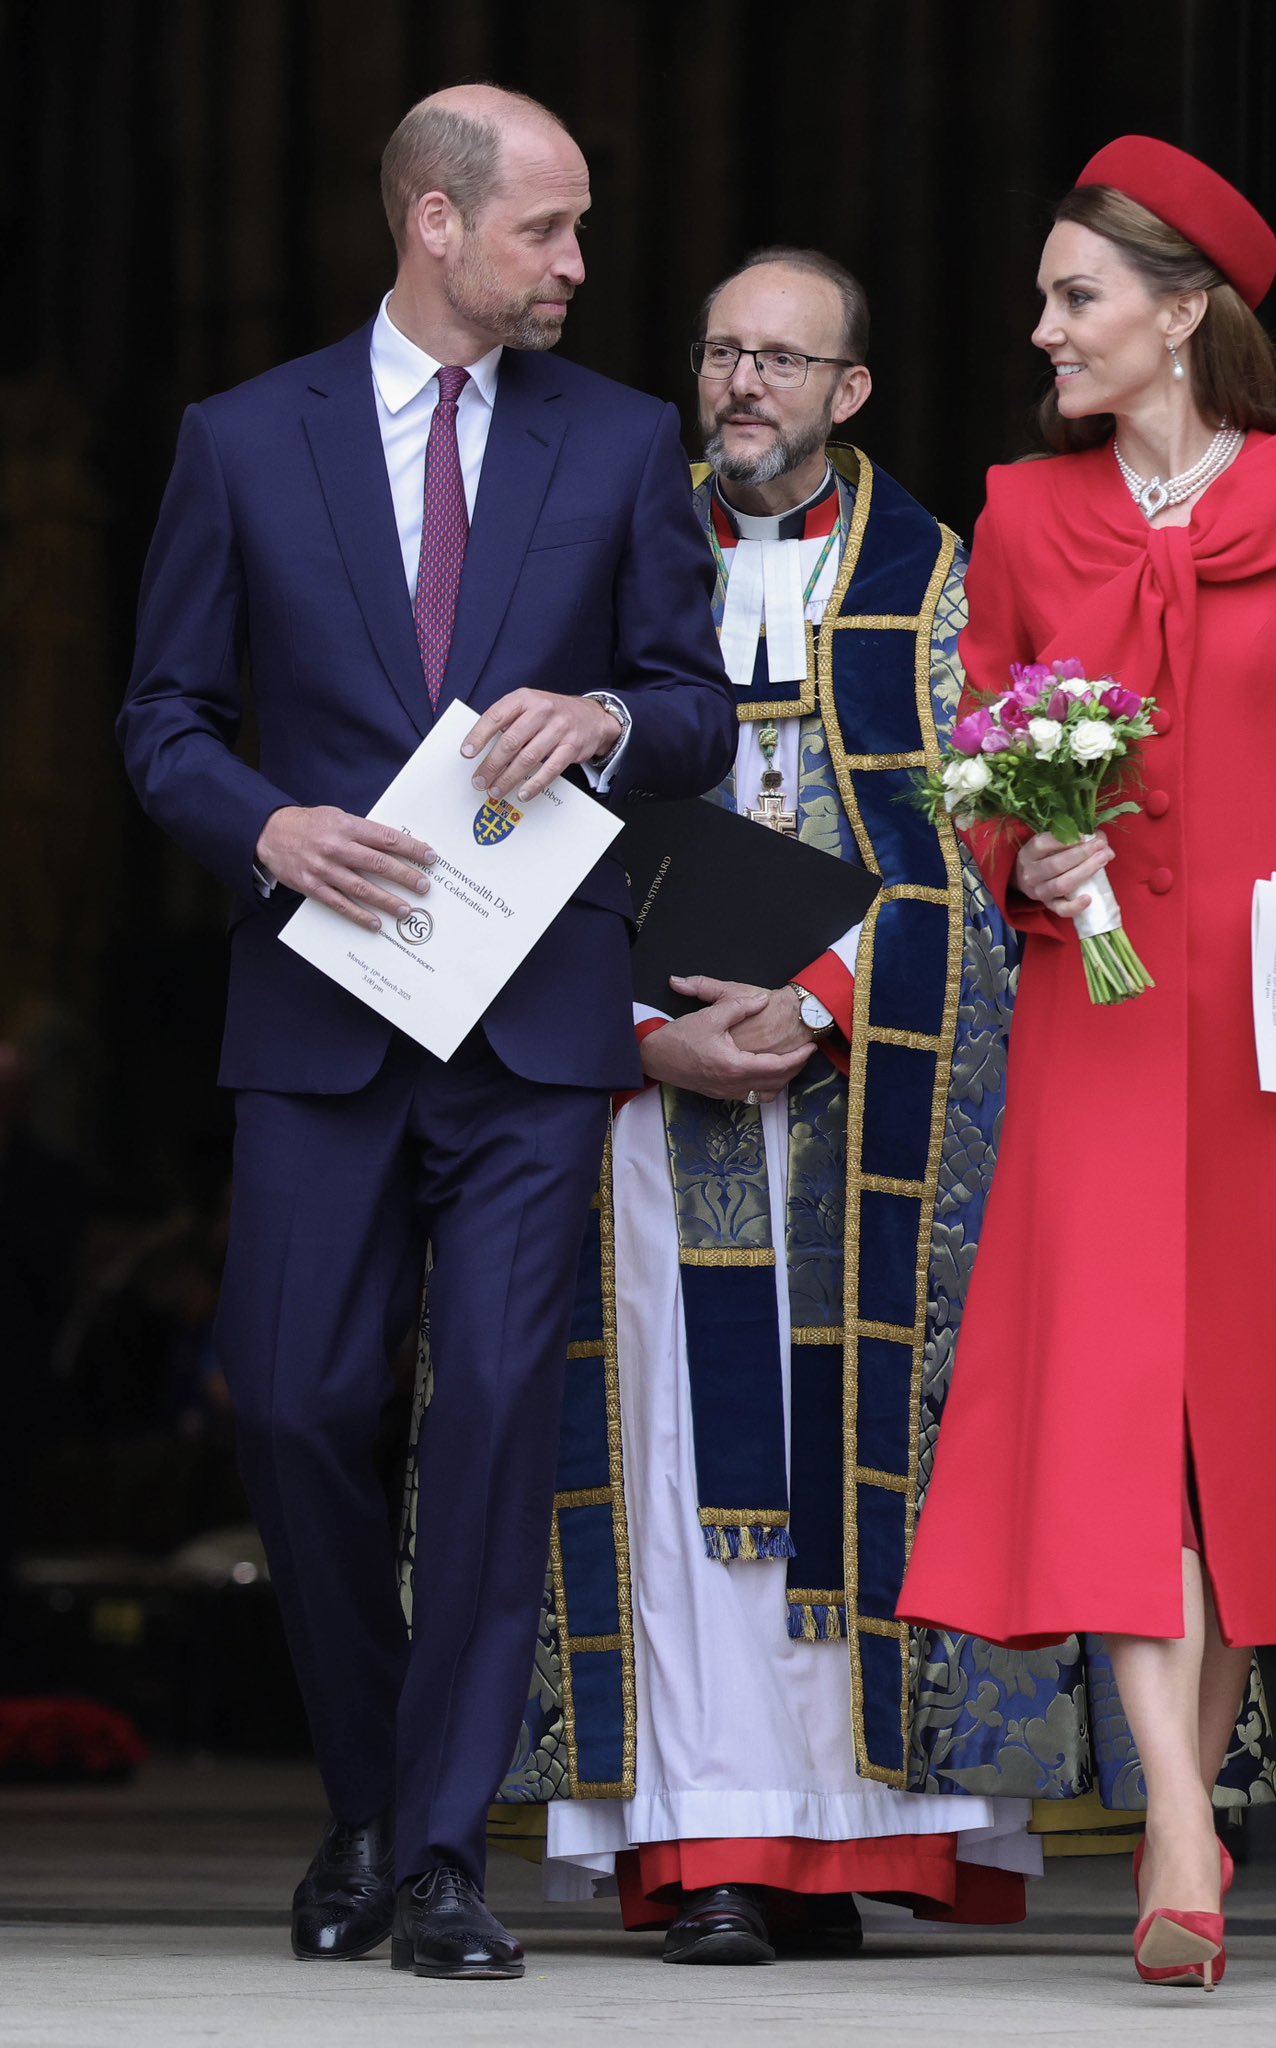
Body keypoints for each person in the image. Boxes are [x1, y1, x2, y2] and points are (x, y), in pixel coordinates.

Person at [117, 85, 734, 1981]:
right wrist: (267, 828)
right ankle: (373, 1793)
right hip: (320, 1011)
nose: (575, 266)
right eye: (546, 230)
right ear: (437, 226)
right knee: (297, 1406)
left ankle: (442, 1850)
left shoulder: (624, 442)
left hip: (537, 1029)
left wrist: (610, 723)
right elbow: (162, 726)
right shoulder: (240, 441)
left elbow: (695, 707)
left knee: (486, 1426)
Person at [894, 136, 1276, 1991]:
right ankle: (1175, 1817)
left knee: (1224, 1433)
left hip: (1254, 1032)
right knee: (1114, 1431)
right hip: (1096, 1011)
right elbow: (969, 774)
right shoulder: (1015, 512)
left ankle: (1176, 1812)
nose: (1043, 327)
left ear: (1179, 314)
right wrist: (1024, 857)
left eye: (1077, 297)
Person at [461, 246, 1044, 1962]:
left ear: (849, 391)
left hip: (868, 1103)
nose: (741, 387)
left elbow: (994, 859)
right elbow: (491, 831)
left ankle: (857, 1835)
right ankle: (703, 1839)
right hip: (636, 1104)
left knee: (854, 1449)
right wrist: (644, 1032)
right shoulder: (590, 569)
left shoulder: (945, 587)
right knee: (662, 1453)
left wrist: (825, 997)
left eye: (782, 361)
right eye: (719, 354)